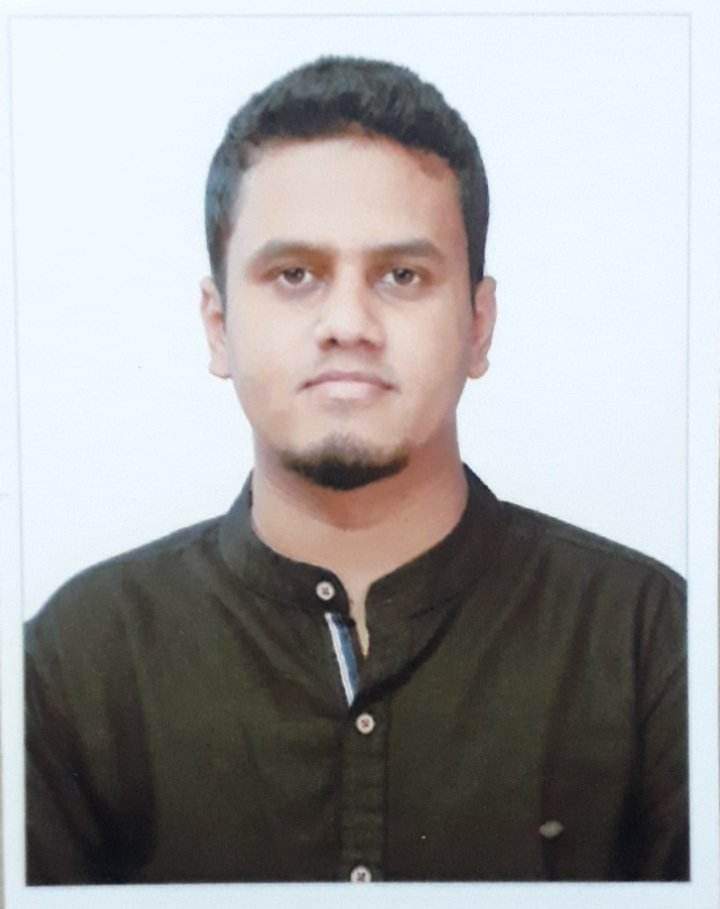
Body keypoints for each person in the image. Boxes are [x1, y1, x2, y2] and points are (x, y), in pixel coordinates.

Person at [24, 55, 688, 885]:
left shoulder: (652, 643)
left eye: (401, 275)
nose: (347, 322)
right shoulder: (75, 664)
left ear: (479, 324)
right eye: (294, 274)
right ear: (218, 324)